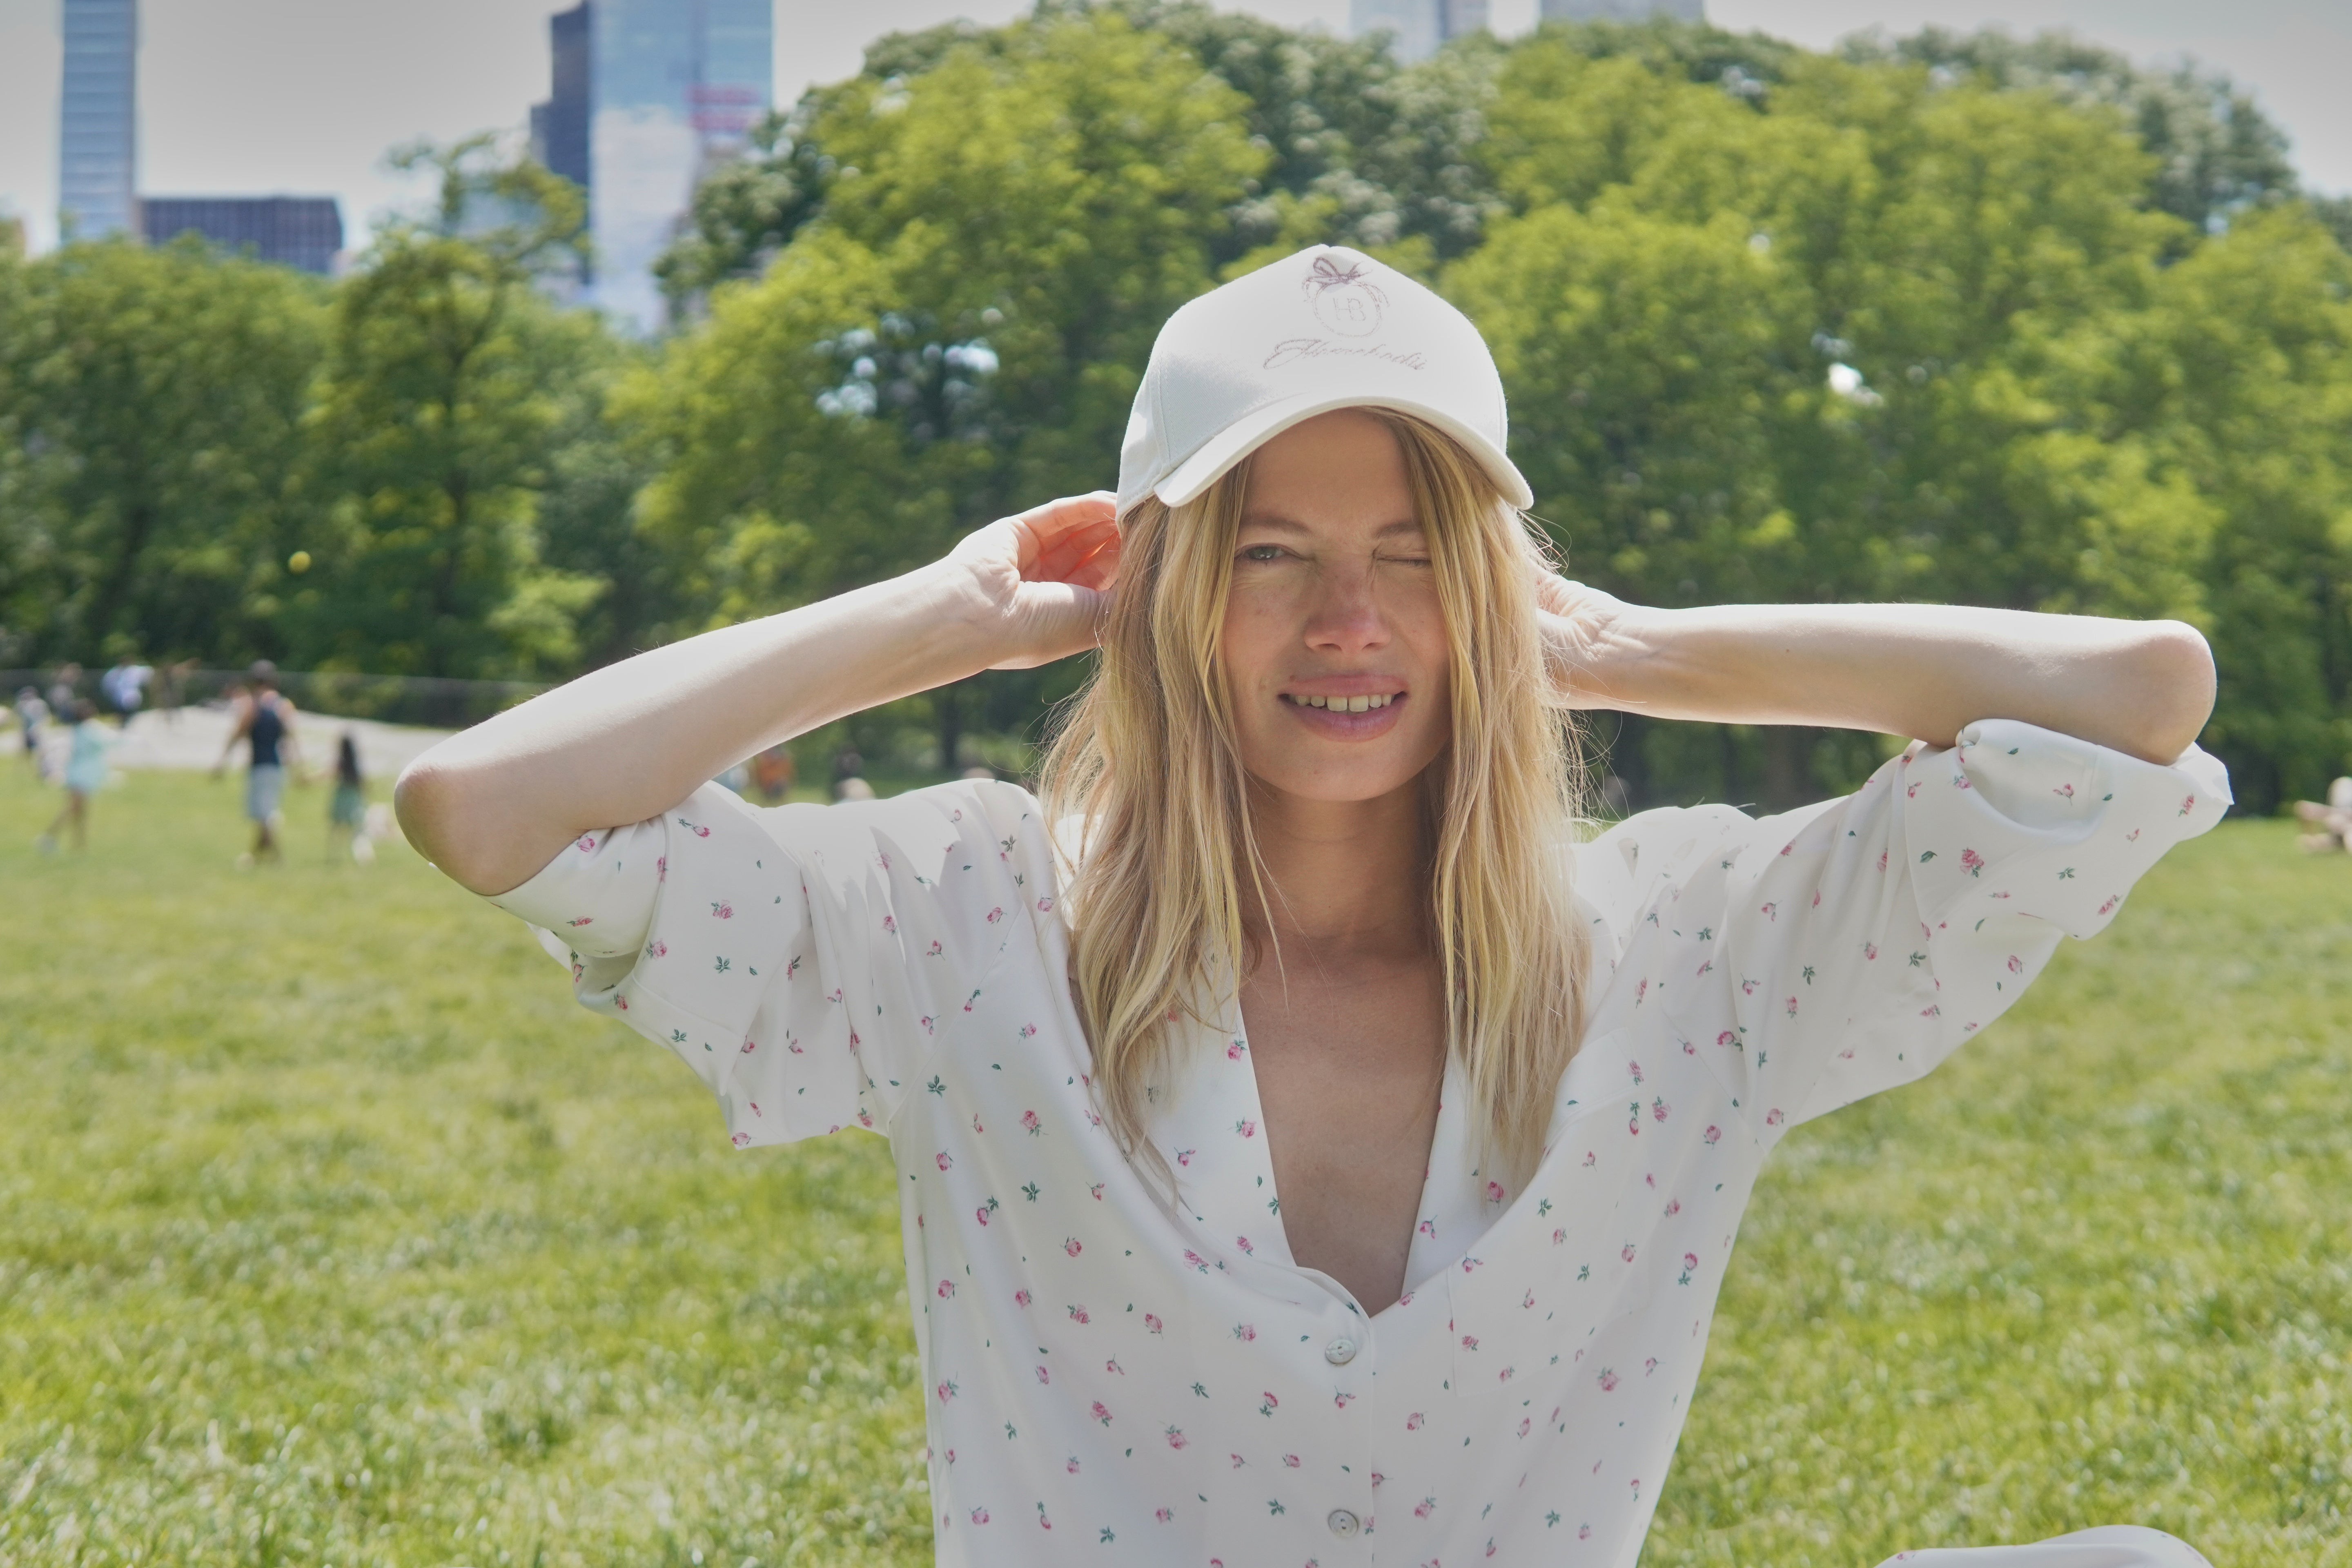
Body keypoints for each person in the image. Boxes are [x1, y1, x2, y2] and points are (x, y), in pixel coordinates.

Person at [396, 247, 2226, 1568]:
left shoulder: (1681, 954)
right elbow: (487, 807)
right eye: (1268, 553)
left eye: (1415, 558)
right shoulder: (966, 924)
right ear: (1162, 588)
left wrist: (1631, 646)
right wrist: (952, 612)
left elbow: (2137, 696)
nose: (1347, 624)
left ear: (1492, 598)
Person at [214, 661, 303, 866]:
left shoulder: (252, 705)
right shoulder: (283, 705)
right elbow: (291, 738)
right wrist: (298, 767)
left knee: (265, 815)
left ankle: (275, 857)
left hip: (259, 765)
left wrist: (222, 761)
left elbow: (238, 733)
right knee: (265, 814)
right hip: (276, 766)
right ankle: (256, 857)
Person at [38, 700, 113, 853]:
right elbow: (105, 742)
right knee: (74, 809)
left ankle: (79, 845)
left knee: (80, 811)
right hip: (80, 776)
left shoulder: (80, 730)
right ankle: (49, 837)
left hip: (78, 775)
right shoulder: (87, 731)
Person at [328, 728, 373, 863]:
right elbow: (364, 783)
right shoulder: (356, 763)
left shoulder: (342, 762)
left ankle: (335, 854)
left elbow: (331, 774)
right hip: (355, 799)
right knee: (358, 831)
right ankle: (364, 856)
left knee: (337, 828)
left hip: (342, 798)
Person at [13, 686, 49, 775]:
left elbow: (42, 717)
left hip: (36, 730)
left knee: (39, 749)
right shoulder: (24, 705)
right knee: (28, 750)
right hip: (27, 731)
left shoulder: (39, 704)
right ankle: (29, 767)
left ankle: (41, 767)